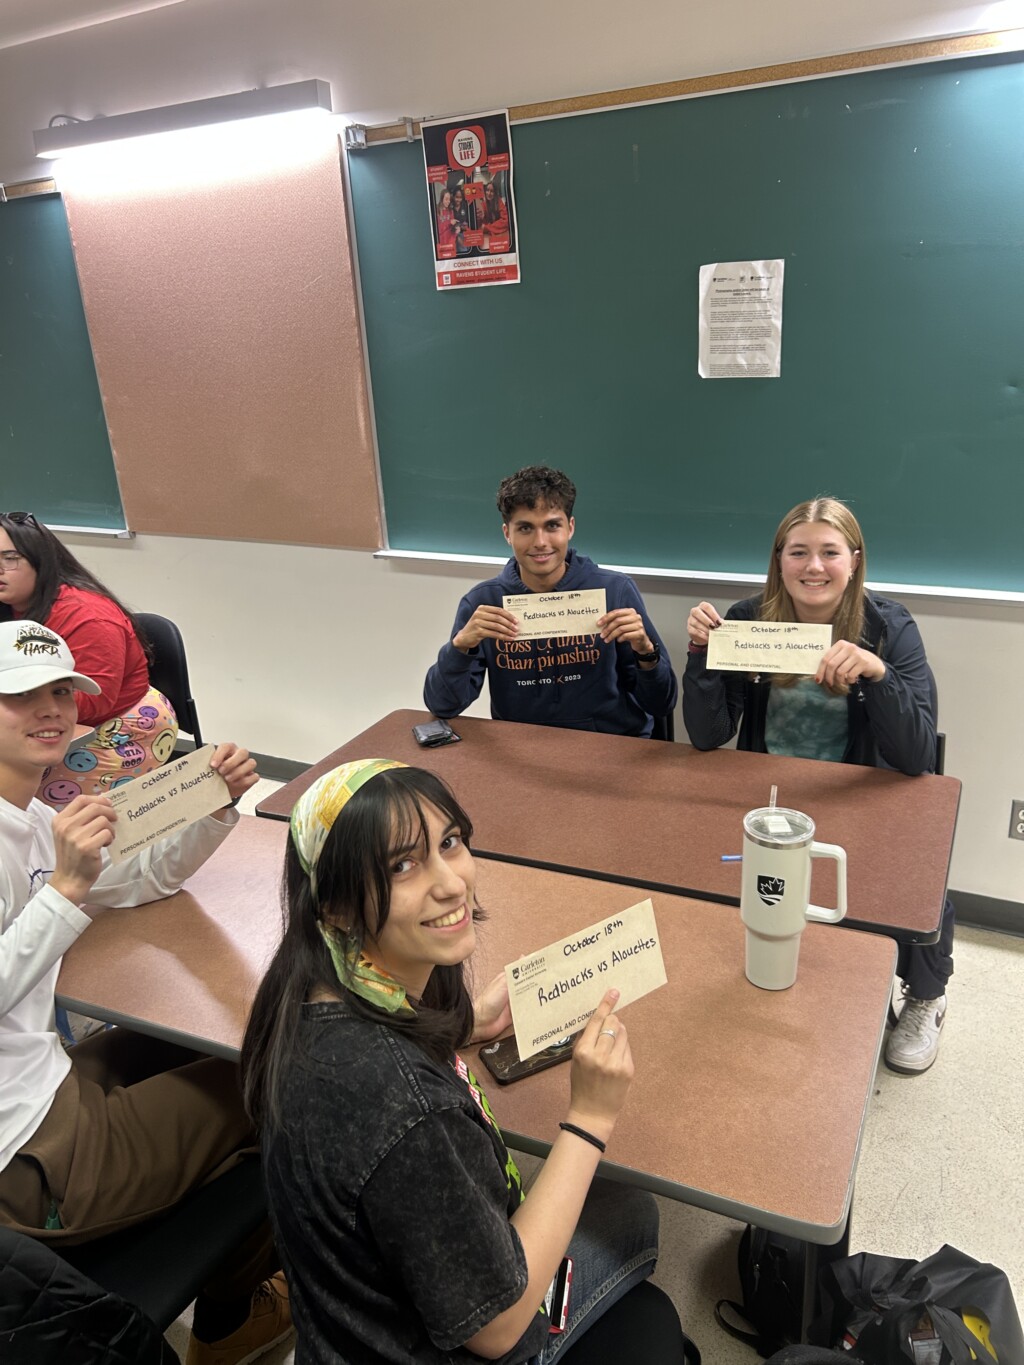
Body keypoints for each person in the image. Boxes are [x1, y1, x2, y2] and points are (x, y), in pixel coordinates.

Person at [242, 758, 687, 1363]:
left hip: (343, 1332)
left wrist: (462, 1024)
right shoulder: (407, 1111)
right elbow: (498, 1329)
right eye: (402, 865)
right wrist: (590, 1118)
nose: (452, 883)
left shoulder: (305, 993)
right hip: (455, 1344)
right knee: (634, 1217)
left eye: (449, 842)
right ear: (337, 906)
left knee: (623, 1208)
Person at [0, 618, 291, 1365]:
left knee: (228, 1047)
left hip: (44, 1084)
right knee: (284, 1085)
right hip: (23, 1158)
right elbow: (70, 895)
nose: (51, 708)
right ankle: (229, 1322)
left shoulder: (33, 817)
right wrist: (64, 890)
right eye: (21, 695)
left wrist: (216, 805)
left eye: (62, 691)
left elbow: (143, 877)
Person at [682, 496, 953, 1074]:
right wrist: (701, 655)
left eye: (829, 552)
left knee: (920, 873)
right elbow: (709, 735)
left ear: (854, 560)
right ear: (779, 559)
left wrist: (878, 674)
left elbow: (916, 755)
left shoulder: (889, 628)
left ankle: (926, 996)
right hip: (772, 796)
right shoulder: (749, 619)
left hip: (859, 790)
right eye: (798, 552)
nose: (813, 567)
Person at [424, 466, 677, 736]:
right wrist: (459, 647)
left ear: (570, 527)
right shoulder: (484, 602)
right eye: (525, 528)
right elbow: (443, 705)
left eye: (552, 526)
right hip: (522, 747)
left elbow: (661, 702)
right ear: (507, 533)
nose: (540, 542)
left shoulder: (615, 591)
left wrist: (645, 651)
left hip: (609, 743)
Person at [0, 512, 178, 809]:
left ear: (41, 560)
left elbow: (95, 700)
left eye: (9, 558)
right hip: (49, 715)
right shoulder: (12, 603)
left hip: (122, 728)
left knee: (29, 806)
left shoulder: (90, 617)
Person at [480, 179, 511, 253]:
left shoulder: (499, 202)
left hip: (501, 233)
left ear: (495, 193)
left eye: (492, 191)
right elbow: (481, 224)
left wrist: (487, 227)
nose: (489, 193)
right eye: (487, 190)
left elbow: (506, 220)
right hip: (490, 234)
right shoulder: (483, 204)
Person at [436, 187, 458, 255]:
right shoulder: (437, 211)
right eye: (446, 199)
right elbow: (437, 229)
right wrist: (449, 222)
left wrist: (457, 229)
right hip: (441, 243)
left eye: (449, 199)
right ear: (441, 199)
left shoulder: (451, 211)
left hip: (451, 242)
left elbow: (453, 229)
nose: (448, 201)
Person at [452, 184, 471, 254]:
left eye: (460, 197)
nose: (458, 200)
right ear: (453, 196)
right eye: (457, 197)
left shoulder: (465, 206)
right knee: (463, 249)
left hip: (466, 232)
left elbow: (468, 222)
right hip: (456, 235)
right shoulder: (450, 208)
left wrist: (464, 226)